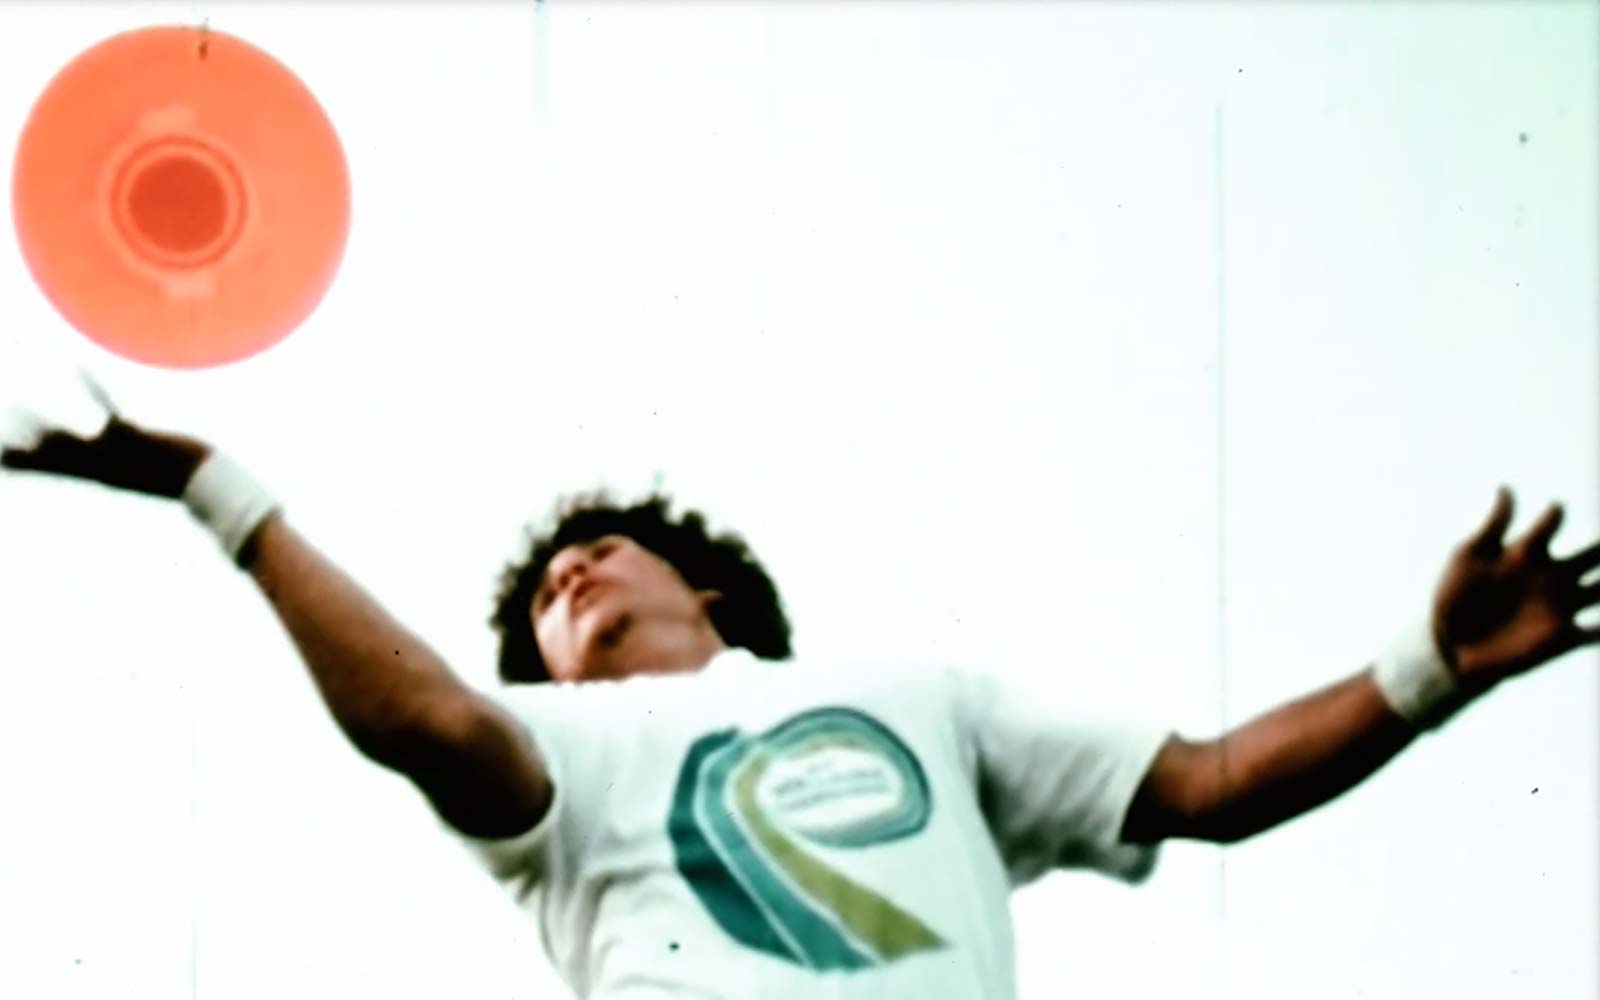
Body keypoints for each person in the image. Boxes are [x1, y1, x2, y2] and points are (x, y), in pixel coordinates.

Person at [4, 407, 1598, 1000]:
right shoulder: (571, 753)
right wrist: (219, 491)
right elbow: (431, 723)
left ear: (708, 590)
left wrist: (1427, 671)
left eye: (601, 549)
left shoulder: (914, 695)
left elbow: (1200, 784)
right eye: (544, 595)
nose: (573, 572)